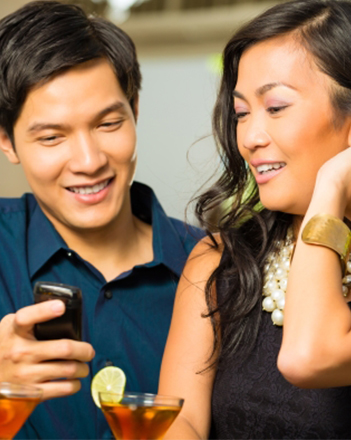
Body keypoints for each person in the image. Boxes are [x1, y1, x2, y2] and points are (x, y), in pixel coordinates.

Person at [158, 0, 351, 438]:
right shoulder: (219, 258)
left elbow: (307, 357)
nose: (250, 138)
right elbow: (179, 420)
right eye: (241, 113)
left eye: (276, 107)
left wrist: (332, 188)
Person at [0, 1, 201, 439]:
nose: (89, 162)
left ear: (135, 111)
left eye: (109, 124)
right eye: (52, 137)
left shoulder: (213, 268)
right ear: (7, 141)